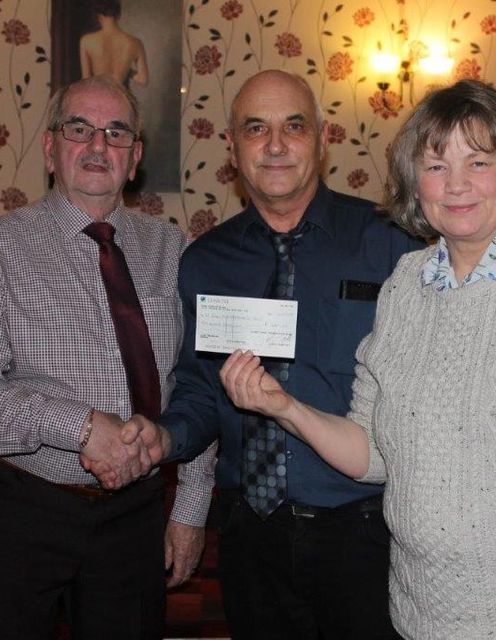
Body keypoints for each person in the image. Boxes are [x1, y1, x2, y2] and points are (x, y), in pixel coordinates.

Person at [220, 79, 496, 639]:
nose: (458, 184)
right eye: (436, 166)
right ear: (415, 184)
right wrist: (285, 407)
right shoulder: (405, 287)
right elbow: (372, 453)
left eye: (479, 161)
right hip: (424, 619)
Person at [156, 70, 422, 640]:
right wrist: (162, 439)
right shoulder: (205, 261)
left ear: (323, 140)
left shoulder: (392, 244)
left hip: (369, 533)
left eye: (293, 126)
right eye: (256, 128)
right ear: (233, 147)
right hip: (252, 534)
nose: (275, 145)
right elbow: (202, 392)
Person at [0, 75, 213, 640]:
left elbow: (198, 384)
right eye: (79, 129)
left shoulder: (175, 251)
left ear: (135, 156)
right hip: (22, 511)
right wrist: (81, 428)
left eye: (116, 133)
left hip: (137, 517)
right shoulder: (3, 248)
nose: (98, 146)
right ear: (50, 148)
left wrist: (189, 511)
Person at [80, 0, 149, 88]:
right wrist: (128, 72)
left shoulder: (86, 41)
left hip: (98, 97)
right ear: (118, 15)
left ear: (99, 16)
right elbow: (143, 80)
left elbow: (86, 81)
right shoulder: (135, 42)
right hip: (123, 99)